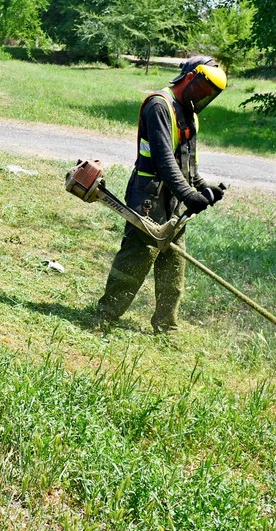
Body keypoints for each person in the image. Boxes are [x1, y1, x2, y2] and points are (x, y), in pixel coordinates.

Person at [95, 55, 228, 333]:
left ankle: (166, 325)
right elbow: (164, 159)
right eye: (204, 89)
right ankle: (106, 315)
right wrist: (190, 195)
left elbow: (186, 164)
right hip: (149, 197)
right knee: (136, 257)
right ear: (190, 78)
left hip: (175, 201)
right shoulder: (159, 105)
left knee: (173, 264)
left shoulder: (188, 112)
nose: (206, 96)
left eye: (211, 94)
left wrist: (203, 188)